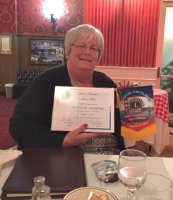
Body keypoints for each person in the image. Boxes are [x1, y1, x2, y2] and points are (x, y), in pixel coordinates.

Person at [9, 24, 125, 154]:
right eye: (81, 46)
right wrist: (62, 140)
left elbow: (119, 124)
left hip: (109, 156)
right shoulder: (46, 81)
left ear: (98, 56)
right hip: (62, 157)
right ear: (68, 50)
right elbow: (18, 126)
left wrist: (128, 105)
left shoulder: (107, 83)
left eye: (94, 48)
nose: (87, 52)